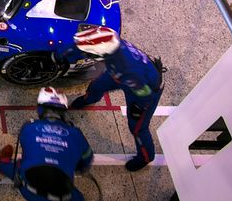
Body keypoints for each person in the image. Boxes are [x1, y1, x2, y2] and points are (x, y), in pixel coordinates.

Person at [70, 26, 165, 172]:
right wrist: (58, 56)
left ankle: (146, 157)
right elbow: (80, 44)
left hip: (144, 90)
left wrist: (139, 108)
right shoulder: (107, 38)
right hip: (120, 74)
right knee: (96, 86)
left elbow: (144, 93)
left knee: (138, 128)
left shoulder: (127, 69)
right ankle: (88, 99)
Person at [0, 87, 93, 201]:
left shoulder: (28, 128)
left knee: (15, 165)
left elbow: (29, 151)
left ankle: (3, 164)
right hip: (62, 197)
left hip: (29, 191)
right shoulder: (76, 134)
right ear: (64, 112)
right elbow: (87, 160)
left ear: (40, 110)